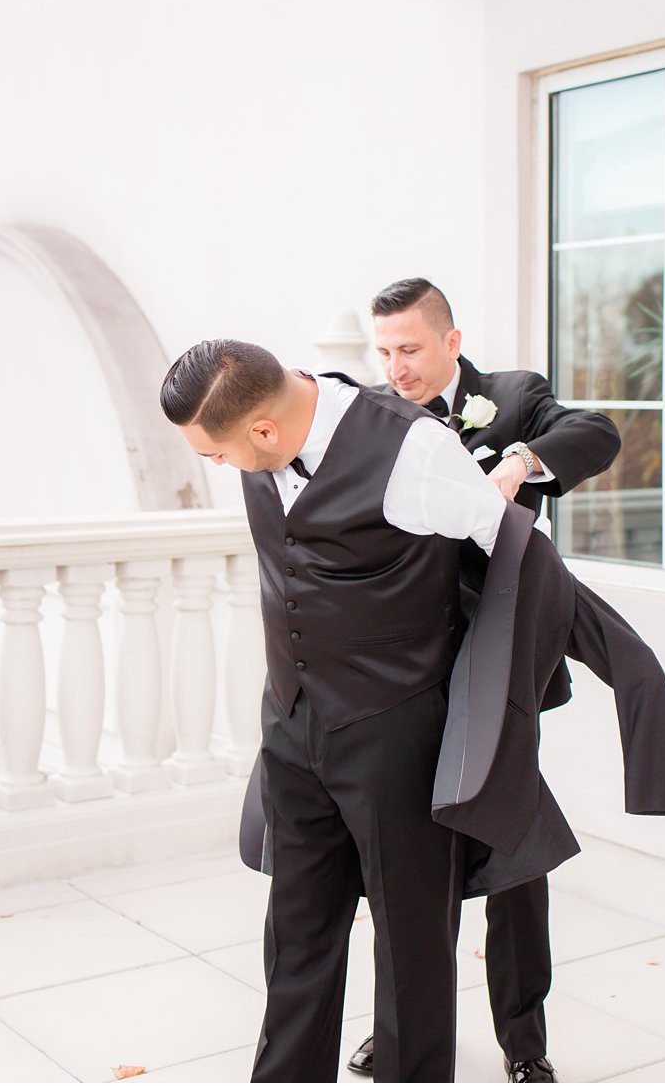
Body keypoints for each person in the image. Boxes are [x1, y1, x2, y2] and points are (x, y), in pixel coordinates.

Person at [161, 340, 510, 1082]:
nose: (216, 468)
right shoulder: (264, 416)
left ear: (262, 430)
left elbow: (514, 551)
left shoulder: (415, 448)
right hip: (292, 723)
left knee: (411, 941)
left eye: (215, 455)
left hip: (395, 728)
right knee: (296, 932)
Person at [345, 277, 621, 1084]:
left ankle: (524, 1042)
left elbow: (595, 431)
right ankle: (397, 1027)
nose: (395, 368)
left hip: (498, 665)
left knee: (514, 854)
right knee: (399, 865)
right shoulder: (369, 414)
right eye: (384, 351)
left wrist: (523, 462)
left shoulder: (511, 397)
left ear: (451, 342)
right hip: (403, 674)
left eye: (410, 349)